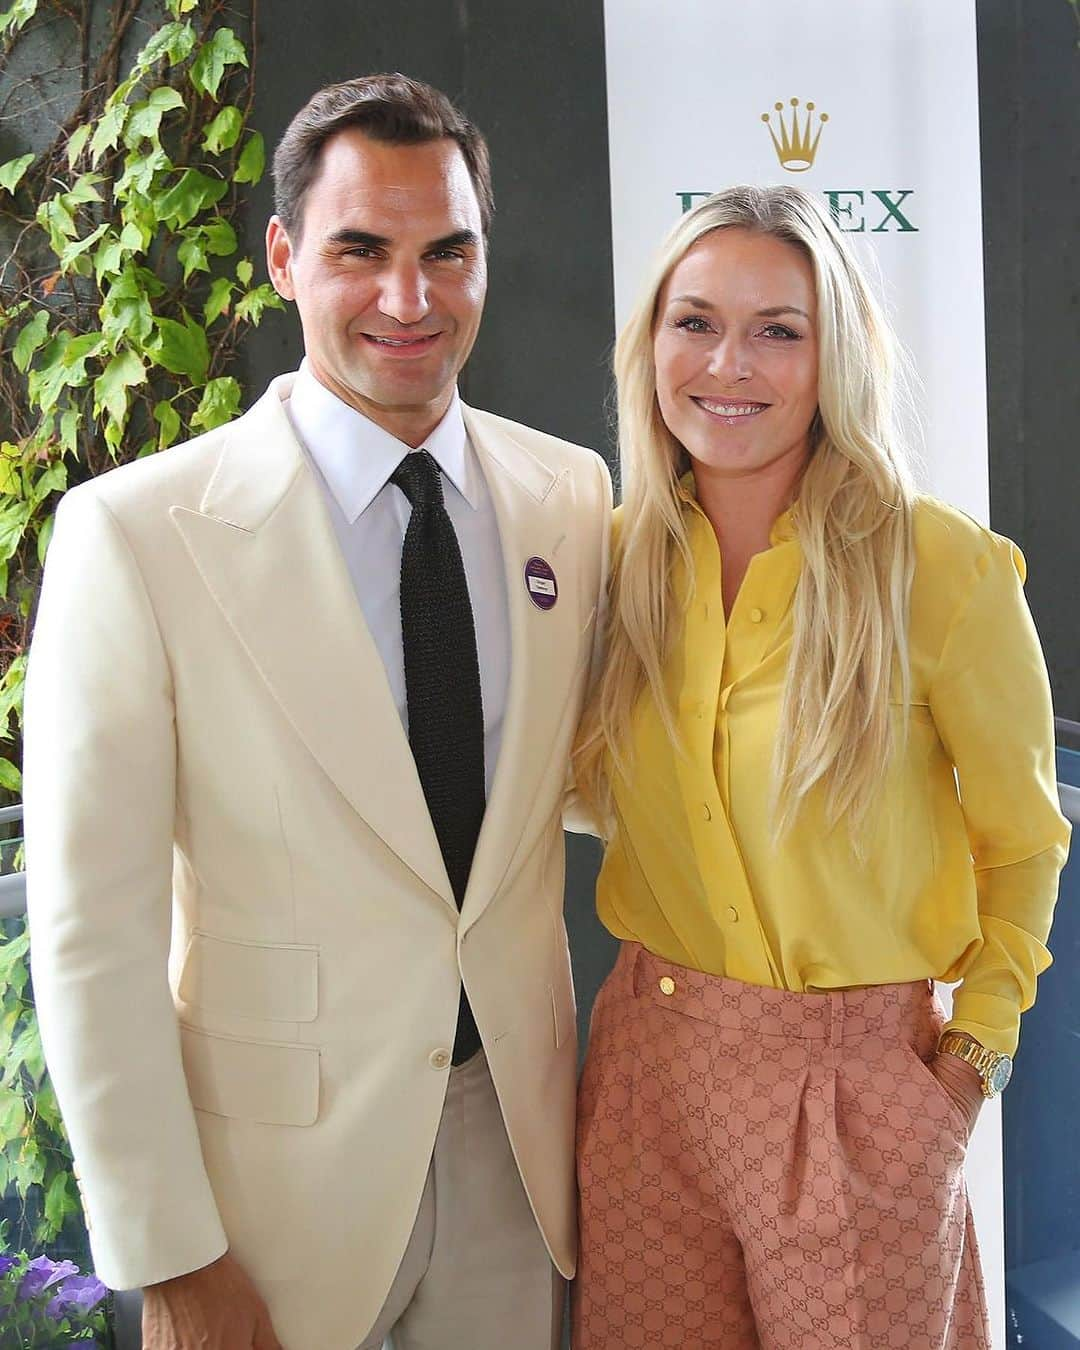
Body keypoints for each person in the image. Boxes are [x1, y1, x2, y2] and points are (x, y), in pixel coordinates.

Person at [24, 73, 610, 1350]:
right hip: (263, 1200)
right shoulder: (135, 534)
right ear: (286, 258)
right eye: (362, 251)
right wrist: (170, 1253)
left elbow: (614, 786)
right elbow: (90, 938)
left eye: (445, 252)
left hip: (518, 1156)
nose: (410, 299)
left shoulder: (571, 497)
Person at [570, 184, 1070, 1348]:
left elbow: (1027, 839)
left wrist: (969, 1066)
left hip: (860, 1091)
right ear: (650, 344)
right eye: (693, 322)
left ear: (831, 352)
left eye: (777, 330)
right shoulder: (604, 568)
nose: (727, 363)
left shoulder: (939, 568)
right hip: (649, 1069)